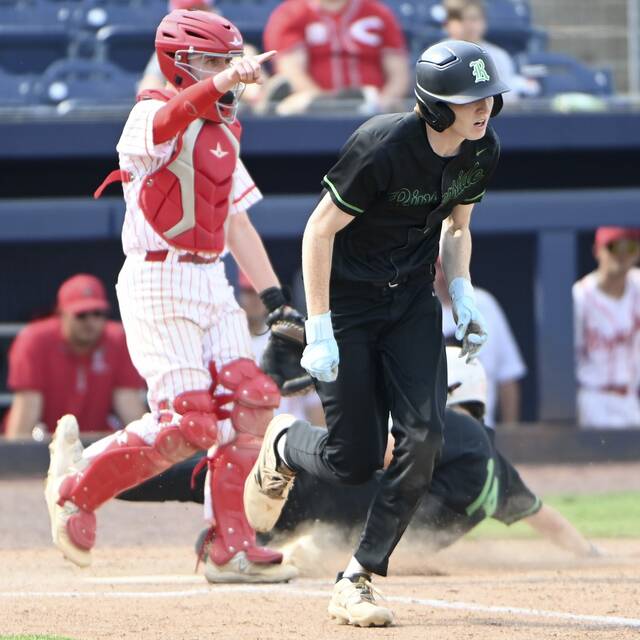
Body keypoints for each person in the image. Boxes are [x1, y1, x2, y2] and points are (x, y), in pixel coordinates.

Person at [244, 40, 509, 627]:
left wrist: (461, 292)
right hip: (345, 304)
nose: (484, 108)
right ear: (436, 105)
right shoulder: (382, 145)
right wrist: (318, 326)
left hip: (412, 299)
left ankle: (358, 576)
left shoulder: (481, 149)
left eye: (489, 97)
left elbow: (458, 228)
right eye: (471, 99)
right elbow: (318, 231)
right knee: (355, 459)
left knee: (424, 437)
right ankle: (286, 444)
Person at [44, 9, 299, 585]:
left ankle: (230, 546)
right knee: (190, 425)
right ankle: (74, 491)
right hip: (158, 279)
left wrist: (277, 297)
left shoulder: (225, 132)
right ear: (180, 65)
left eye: (227, 60)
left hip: (211, 279)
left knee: (254, 400)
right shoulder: (149, 111)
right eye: (209, 62)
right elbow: (165, 125)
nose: (224, 72)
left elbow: (236, 223)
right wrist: (226, 79)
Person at [119, 347, 599, 581]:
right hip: (339, 523)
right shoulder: (498, 468)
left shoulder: (450, 427)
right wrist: (591, 556)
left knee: (203, 478)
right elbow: (548, 520)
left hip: (322, 495)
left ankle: (103, 478)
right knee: (220, 497)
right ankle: (256, 541)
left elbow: (381, 452)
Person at [5, 274, 145, 440]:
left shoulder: (118, 339)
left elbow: (128, 404)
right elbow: (27, 412)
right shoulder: (34, 340)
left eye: (98, 313)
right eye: (81, 315)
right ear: (61, 313)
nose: (90, 322)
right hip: (47, 443)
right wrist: (15, 461)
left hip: (96, 444)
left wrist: (154, 456)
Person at [262, 0, 410, 115]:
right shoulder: (291, 13)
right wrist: (325, 105)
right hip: (310, 112)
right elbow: (292, 72)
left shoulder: (378, 13)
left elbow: (399, 74)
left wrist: (383, 105)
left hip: (371, 109)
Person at [434, 259, 527, 425]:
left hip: (482, 431)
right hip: (434, 436)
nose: (445, 274)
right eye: (439, 267)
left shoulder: (485, 304)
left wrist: (510, 433)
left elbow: (508, 376)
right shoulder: (417, 310)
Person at [138, 0, 265, 108]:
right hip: (186, 113)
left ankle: (265, 101)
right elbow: (147, 93)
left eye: (201, 10)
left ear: (212, 10)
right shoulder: (170, 50)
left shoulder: (236, 47)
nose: (196, 18)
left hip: (232, 111)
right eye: (189, 12)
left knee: (246, 54)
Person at [237, 271, 326, 425]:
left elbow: (314, 401)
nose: (255, 300)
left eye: (259, 294)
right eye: (249, 292)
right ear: (240, 295)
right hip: (251, 438)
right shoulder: (232, 343)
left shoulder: (286, 336)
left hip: (292, 434)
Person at [573, 226, 640, 428]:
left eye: (628, 247)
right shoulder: (580, 296)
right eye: (614, 247)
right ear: (598, 250)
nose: (621, 255)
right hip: (593, 398)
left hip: (631, 398)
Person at [442, 0, 539, 103]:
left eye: (474, 19)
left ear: (484, 21)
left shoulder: (498, 56)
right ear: (447, 23)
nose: (469, 25)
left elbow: (507, 96)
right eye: (461, 19)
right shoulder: (438, 56)